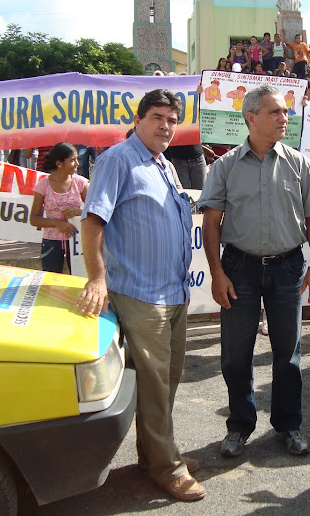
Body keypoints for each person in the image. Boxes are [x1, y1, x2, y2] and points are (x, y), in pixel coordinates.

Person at [76, 89, 204, 502]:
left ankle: (154, 454)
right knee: (153, 383)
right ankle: (166, 467)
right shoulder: (118, 160)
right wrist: (96, 278)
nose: (165, 125)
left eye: (171, 119)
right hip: (140, 293)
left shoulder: (164, 163)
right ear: (138, 118)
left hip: (173, 291)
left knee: (167, 380)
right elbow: (93, 222)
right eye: (157, 117)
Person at [199, 83, 310, 458]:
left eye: (285, 112)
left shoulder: (298, 161)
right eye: (276, 112)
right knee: (235, 353)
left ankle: (288, 425)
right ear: (251, 117)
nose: (284, 118)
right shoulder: (224, 166)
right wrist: (216, 273)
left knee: (288, 352)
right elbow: (211, 224)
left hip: (288, 267)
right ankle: (240, 425)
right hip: (238, 267)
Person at [29, 143, 88, 273]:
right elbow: (34, 219)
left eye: (77, 159)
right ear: (59, 163)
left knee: (78, 281)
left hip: (77, 242)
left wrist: (77, 212)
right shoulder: (43, 185)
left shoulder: (81, 183)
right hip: (51, 243)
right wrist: (57, 223)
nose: (77, 163)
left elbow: (95, 210)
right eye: (72, 160)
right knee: (50, 283)